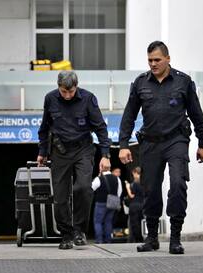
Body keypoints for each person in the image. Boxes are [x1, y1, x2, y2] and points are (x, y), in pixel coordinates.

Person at [119, 41, 203, 254]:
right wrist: (123, 145)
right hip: (150, 143)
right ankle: (151, 238)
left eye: (157, 60)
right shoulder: (140, 83)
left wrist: (202, 143)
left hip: (176, 141)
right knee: (150, 190)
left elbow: (196, 114)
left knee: (178, 183)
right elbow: (129, 116)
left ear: (168, 59)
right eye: (150, 60)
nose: (153, 64)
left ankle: (175, 237)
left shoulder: (183, 82)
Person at [37, 71, 111, 250]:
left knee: (83, 188)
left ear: (76, 86)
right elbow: (45, 127)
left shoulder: (88, 98)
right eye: (64, 92)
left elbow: (100, 128)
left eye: (71, 91)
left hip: (83, 150)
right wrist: (43, 151)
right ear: (58, 87)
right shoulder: (50, 99)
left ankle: (79, 231)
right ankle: (66, 234)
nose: (68, 95)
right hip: (60, 152)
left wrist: (105, 155)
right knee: (60, 197)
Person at [91, 167, 122, 243]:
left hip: (101, 202)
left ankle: (99, 240)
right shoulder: (116, 178)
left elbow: (91, 188)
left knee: (98, 222)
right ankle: (108, 240)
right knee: (108, 222)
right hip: (112, 203)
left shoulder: (99, 178)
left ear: (101, 169)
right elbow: (119, 191)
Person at [125, 167, 144, 243]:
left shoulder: (135, 183)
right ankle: (140, 238)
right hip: (142, 205)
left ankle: (136, 239)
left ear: (136, 173)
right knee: (140, 222)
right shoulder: (143, 183)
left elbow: (131, 195)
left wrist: (127, 187)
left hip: (134, 206)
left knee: (134, 224)